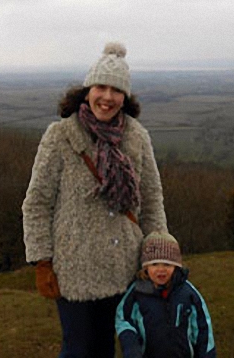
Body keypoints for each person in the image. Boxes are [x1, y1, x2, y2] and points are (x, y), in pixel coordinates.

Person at [22, 42, 168, 358]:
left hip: (124, 266)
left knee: (107, 347)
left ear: (125, 97)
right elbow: (37, 202)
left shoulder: (137, 136)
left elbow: (152, 199)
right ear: (87, 89)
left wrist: (158, 255)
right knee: (77, 349)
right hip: (73, 268)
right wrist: (42, 261)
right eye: (101, 86)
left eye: (116, 90)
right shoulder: (60, 136)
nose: (108, 97)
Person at [115, 232, 216, 358]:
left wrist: (207, 354)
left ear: (176, 266)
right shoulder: (137, 293)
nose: (161, 269)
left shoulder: (188, 293)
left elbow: (203, 327)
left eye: (167, 264)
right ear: (145, 267)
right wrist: (131, 346)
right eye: (154, 264)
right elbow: (123, 319)